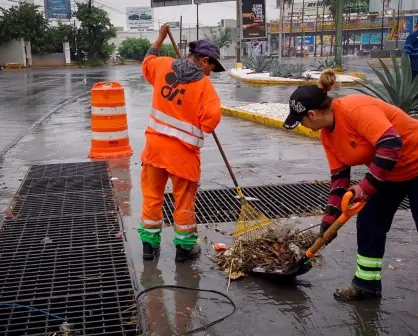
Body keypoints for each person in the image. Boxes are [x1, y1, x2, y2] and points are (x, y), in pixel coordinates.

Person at [284, 69, 418, 301]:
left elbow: (391, 143)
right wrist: (329, 220)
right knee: (369, 224)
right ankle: (366, 285)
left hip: (415, 162)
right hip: (388, 173)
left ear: (313, 115)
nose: (302, 125)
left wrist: (366, 186)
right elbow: (339, 178)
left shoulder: (355, 109)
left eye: (301, 120)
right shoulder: (327, 134)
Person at [140, 24, 225, 262]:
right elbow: (210, 121)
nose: (210, 73)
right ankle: (184, 249)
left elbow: (147, 62)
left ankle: (149, 246)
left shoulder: (162, 65)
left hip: (154, 151)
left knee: (152, 197)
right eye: (212, 67)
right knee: (184, 202)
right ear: (204, 60)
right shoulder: (204, 86)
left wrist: (158, 39)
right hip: (183, 156)